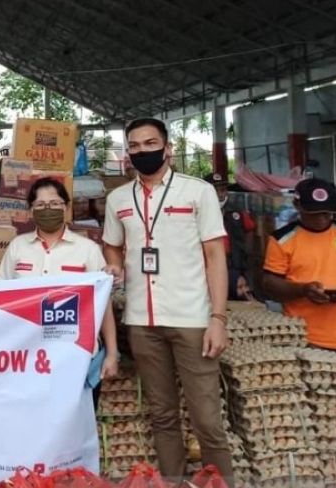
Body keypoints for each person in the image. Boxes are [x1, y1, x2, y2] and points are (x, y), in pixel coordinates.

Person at [102, 118, 233, 486]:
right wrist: (113, 263)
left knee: (206, 417)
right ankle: (174, 482)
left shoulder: (197, 192)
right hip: (142, 320)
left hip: (192, 318)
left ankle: (222, 483)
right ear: (127, 153)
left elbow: (215, 256)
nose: (143, 151)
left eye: (150, 143)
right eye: (135, 146)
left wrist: (218, 318)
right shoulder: (118, 199)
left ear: (168, 148)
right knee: (162, 414)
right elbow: (111, 243)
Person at [0, 177, 119, 401]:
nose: (47, 209)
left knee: (77, 424)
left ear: (67, 207)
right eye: (40, 205)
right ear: (31, 211)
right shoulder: (18, 247)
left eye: (54, 204)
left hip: (78, 357)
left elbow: (103, 306)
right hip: (27, 356)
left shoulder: (88, 249)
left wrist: (112, 353)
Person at [261, 178, 336, 357]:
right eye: (314, 213)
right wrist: (304, 290)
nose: (321, 218)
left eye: (327, 213)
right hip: (302, 339)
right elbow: (269, 284)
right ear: (297, 205)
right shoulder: (282, 239)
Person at [210, 172, 257, 301]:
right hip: (213, 267)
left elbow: (249, 229)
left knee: (242, 297)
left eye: (223, 190)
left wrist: (247, 253)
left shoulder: (236, 211)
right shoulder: (200, 212)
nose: (220, 194)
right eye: (216, 190)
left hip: (237, 264)